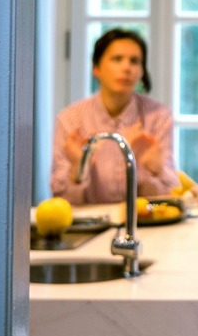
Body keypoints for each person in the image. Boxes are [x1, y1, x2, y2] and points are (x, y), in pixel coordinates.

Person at [51, 27, 178, 204]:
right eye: (117, 59)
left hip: (145, 225)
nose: (126, 67)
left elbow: (170, 200)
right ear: (96, 68)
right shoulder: (70, 120)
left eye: (134, 61)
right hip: (90, 227)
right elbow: (63, 202)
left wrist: (153, 170)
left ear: (142, 72)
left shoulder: (158, 117)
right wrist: (78, 169)